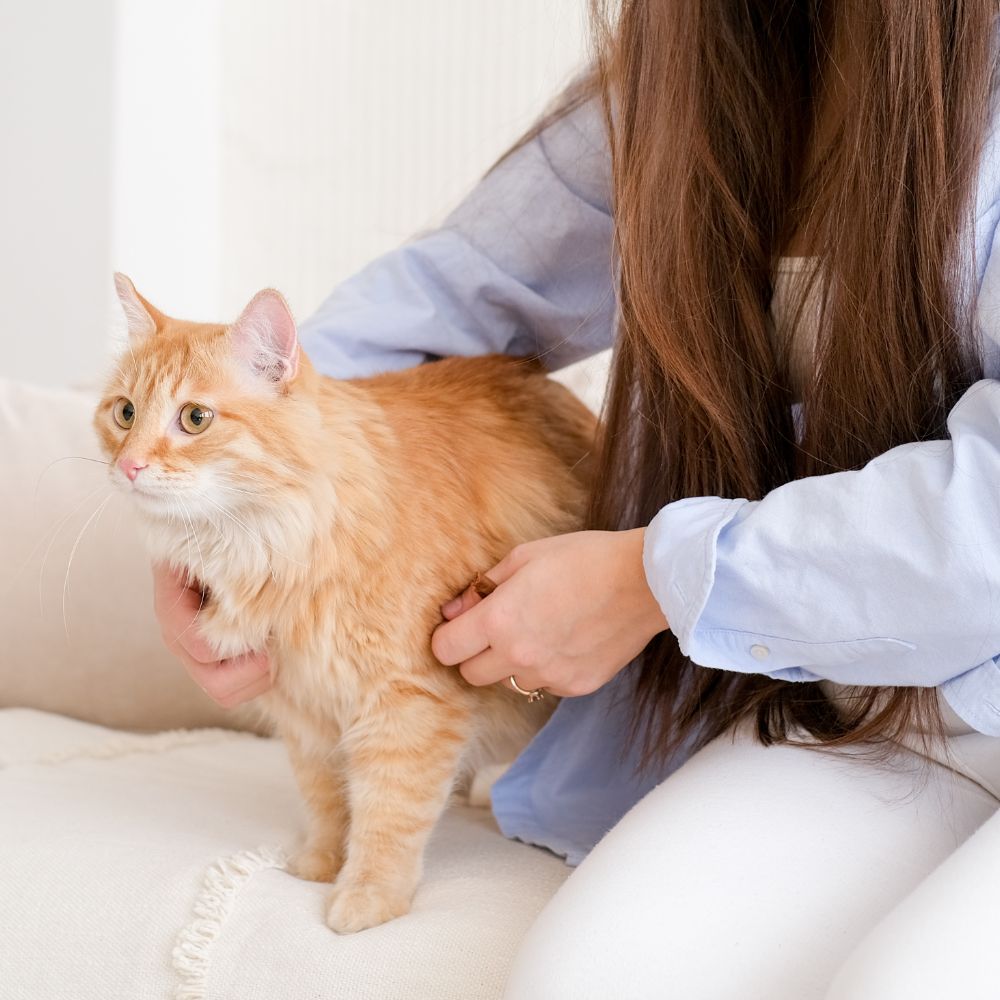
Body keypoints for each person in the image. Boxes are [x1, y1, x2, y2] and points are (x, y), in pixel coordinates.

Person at [153, 2, 1000, 996]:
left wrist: (655, 577)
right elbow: (469, 283)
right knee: (588, 977)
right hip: (875, 695)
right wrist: (229, 488)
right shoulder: (707, 55)